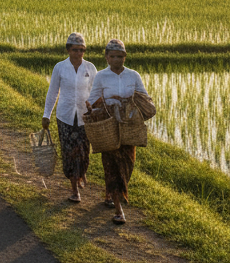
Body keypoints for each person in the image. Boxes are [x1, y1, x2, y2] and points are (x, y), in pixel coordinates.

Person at [89, 39, 150, 225]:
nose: (117, 59)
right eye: (113, 56)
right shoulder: (101, 76)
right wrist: (104, 105)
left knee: (127, 165)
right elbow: (92, 100)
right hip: (109, 127)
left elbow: (144, 97)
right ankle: (118, 209)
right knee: (112, 166)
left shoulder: (133, 75)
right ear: (107, 57)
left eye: (121, 56)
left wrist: (128, 101)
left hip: (129, 127)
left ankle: (112, 193)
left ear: (125, 57)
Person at [42, 32, 96, 202]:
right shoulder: (60, 67)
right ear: (68, 50)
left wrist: (96, 110)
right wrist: (46, 115)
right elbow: (53, 92)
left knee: (84, 152)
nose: (78, 53)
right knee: (69, 152)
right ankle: (74, 189)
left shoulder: (90, 68)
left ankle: (81, 174)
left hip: (84, 117)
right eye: (74, 50)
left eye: (81, 50)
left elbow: (95, 92)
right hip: (65, 116)